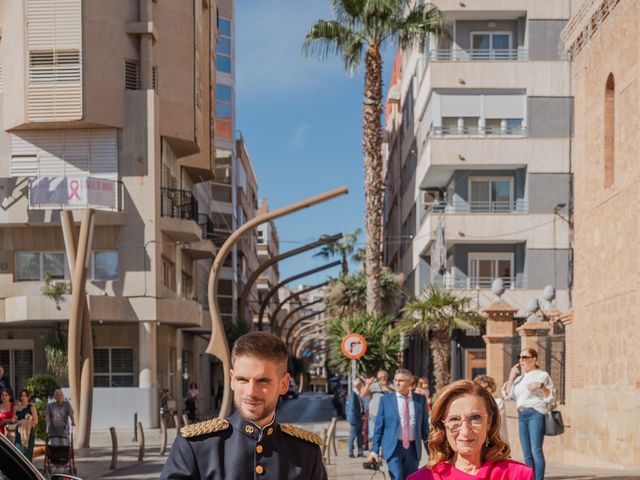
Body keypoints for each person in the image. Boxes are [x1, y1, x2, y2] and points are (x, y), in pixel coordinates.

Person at [161, 332, 327, 479]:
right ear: (232, 380)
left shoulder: (307, 453)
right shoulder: (194, 446)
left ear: (283, 384)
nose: (251, 392)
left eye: (263, 381)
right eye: (242, 380)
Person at [407, 380, 533, 480]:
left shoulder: (518, 475)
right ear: (443, 425)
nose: (465, 431)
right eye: (454, 419)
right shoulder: (422, 478)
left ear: (489, 422)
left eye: (475, 418)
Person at [501, 348, 553, 480]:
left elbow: (550, 396)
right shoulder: (519, 378)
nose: (521, 360)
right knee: (527, 453)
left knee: (536, 450)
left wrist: (540, 386)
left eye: (525, 357)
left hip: (535, 412)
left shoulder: (542, 375)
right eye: (520, 357)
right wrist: (512, 376)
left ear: (533, 359)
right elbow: (508, 395)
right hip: (522, 414)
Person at [369, 368, 429, 480]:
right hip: (393, 448)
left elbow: (425, 429)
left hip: (413, 449)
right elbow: (379, 427)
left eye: (401, 380)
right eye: (395, 380)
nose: (396, 383)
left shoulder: (420, 400)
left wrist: (431, 451)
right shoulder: (386, 400)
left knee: (411, 478)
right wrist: (374, 450)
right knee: (397, 477)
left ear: (409, 382)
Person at [474, 375, 507, 443]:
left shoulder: (498, 401)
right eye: (483, 388)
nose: (487, 390)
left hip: (497, 438)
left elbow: (496, 420)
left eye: (488, 387)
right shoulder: (475, 403)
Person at [363, 369, 393, 445]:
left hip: (386, 416)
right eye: (381, 377)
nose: (383, 378)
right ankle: (372, 454)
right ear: (378, 378)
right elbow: (364, 394)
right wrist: (367, 384)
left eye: (384, 377)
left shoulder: (390, 385)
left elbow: (394, 394)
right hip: (374, 414)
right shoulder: (373, 386)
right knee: (372, 436)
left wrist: (386, 386)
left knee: (384, 436)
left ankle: (383, 454)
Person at [14, 389, 38, 460]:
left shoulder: (32, 407)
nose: (23, 397)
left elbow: (36, 421)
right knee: (18, 454)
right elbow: (14, 420)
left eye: (25, 396)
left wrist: (25, 422)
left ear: (28, 397)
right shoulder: (16, 407)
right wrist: (18, 422)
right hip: (18, 433)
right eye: (22, 395)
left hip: (29, 434)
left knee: (27, 455)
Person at [346, 377, 364, 458]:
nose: (361, 386)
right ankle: (350, 452)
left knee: (360, 435)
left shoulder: (357, 394)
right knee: (353, 436)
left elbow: (360, 406)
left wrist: (363, 413)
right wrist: (361, 415)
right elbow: (353, 408)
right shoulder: (353, 394)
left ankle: (360, 451)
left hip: (359, 418)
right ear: (357, 386)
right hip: (355, 419)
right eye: (360, 385)